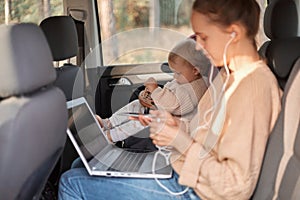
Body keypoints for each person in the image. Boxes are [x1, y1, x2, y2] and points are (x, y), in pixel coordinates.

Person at [58, 0, 282, 199]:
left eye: (203, 38)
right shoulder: (228, 75)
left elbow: (234, 186)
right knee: (83, 165)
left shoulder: (252, 87)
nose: (200, 48)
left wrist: (178, 139)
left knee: (71, 183)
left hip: (194, 190)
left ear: (233, 33)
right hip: (183, 169)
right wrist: (172, 125)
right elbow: (208, 133)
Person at [96, 38, 210, 143]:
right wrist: (151, 96)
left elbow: (174, 106)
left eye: (178, 73)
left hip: (176, 123)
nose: (174, 77)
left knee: (141, 120)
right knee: (136, 104)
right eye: (173, 72)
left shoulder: (196, 88)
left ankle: (111, 136)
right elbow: (169, 94)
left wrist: (155, 90)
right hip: (164, 111)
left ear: (195, 70)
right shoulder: (185, 79)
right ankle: (109, 123)